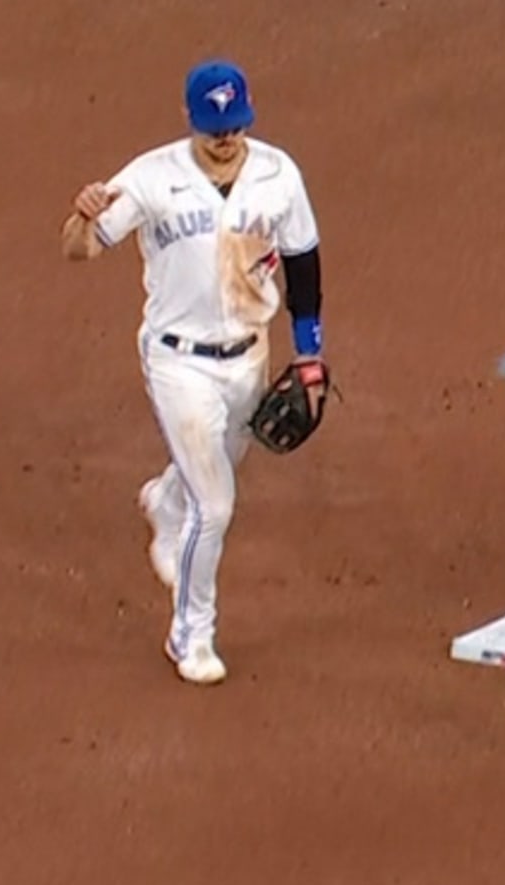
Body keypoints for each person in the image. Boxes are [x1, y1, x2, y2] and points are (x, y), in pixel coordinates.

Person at [60, 59, 328, 685]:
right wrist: (81, 214)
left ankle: (164, 498)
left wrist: (309, 352)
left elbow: (304, 262)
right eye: (214, 126)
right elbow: (80, 248)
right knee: (217, 507)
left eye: (234, 124)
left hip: (250, 356)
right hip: (178, 361)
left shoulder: (277, 174)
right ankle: (192, 635)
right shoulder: (151, 178)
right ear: (190, 119)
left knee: (212, 476)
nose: (225, 137)